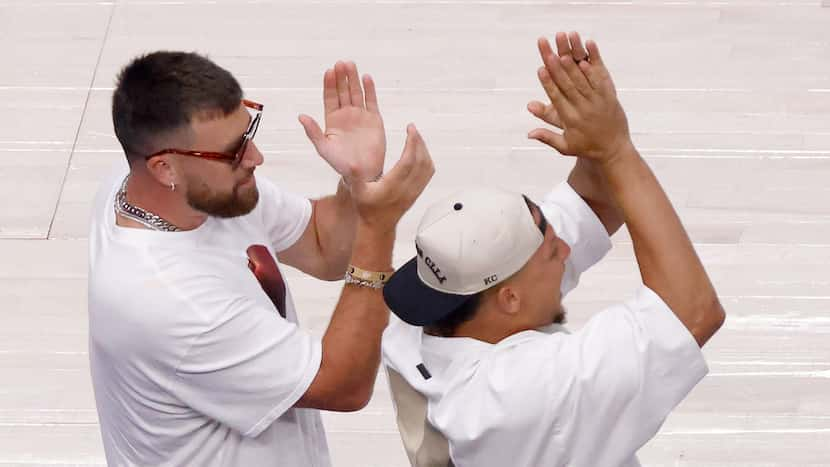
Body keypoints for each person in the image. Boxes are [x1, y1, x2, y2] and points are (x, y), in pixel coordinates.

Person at [381, 32, 726, 467]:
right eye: (551, 253)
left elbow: (594, 204)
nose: (565, 249)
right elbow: (692, 310)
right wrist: (616, 149)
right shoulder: (520, 396)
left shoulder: (426, 318)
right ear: (509, 297)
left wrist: (596, 131)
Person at [87, 52, 434, 466]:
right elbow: (343, 385)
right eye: (232, 151)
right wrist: (377, 228)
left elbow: (323, 245)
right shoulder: (171, 302)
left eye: (249, 130)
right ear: (164, 168)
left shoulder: (183, 193)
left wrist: (358, 181)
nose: (254, 157)